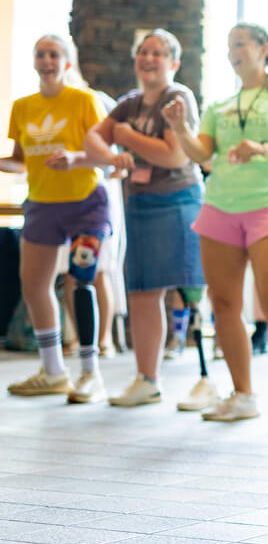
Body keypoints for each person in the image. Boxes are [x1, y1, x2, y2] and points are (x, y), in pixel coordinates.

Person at [173, 22, 268, 427]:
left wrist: (263, 148)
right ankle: (242, 394)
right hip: (219, 205)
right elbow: (203, 153)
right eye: (229, 44)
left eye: (241, 43)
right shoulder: (219, 105)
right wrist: (181, 126)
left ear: (264, 48)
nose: (233, 51)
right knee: (223, 303)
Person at [62, 29, 205, 408]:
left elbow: (174, 156)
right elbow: (94, 138)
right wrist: (112, 156)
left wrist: (125, 137)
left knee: (190, 288)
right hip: (139, 202)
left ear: (173, 63)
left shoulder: (179, 97)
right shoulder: (128, 102)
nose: (149, 58)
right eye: (143, 51)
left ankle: (210, 379)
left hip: (178, 200)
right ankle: (147, 379)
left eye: (158, 52)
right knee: (142, 292)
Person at [3, 34, 115, 403]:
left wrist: (75, 157)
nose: (47, 60)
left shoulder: (85, 101)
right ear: (34, 61)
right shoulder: (22, 106)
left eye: (54, 54)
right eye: (40, 54)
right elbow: (21, 158)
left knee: (80, 280)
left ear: (67, 62)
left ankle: (90, 374)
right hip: (41, 204)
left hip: (86, 204)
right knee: (33, 285)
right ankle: (53, 371)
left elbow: (105, 157)